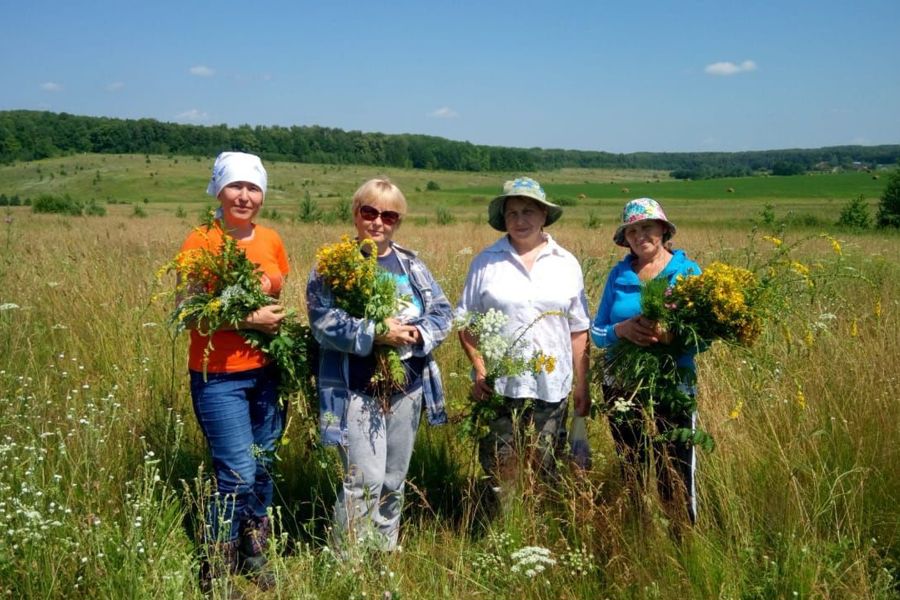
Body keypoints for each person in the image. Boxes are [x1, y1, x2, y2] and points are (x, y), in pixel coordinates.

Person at [306, 177, 453, 552]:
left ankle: (382, 553)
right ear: (356, 214)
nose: (378, 222)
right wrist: (375, 333)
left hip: (408, 387)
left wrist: (416, 335)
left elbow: (442, 311)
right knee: (364, 480)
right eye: (369, 212)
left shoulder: (411, 264)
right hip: (353, 388)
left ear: (397, 222)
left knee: (393, 478)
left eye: (389, 216)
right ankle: (348, 563)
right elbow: (323, 323)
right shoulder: (333, 265)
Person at [179, 151, 288, 591]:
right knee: (237, 472)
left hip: (266, 372)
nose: (244, 196)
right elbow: (187, 313)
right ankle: (216, 565)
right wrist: (246, 320)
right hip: (218, 375)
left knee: (263, 467)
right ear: (219, 190)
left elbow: (278, 297)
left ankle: (253, 551)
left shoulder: (272, 241)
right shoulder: (200, 241)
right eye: (236, 186)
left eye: (253, 187)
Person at [457, 176, 591, 499]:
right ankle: (506, 531)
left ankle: (540, 529)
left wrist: (581, 383)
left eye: (529, 211)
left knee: (546, 466)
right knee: (502, 469)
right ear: (503, 218)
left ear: (544, 215)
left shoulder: (566, 263)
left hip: (552, 386)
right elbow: (465, 322)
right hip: (501, 387)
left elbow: (578, 328)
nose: (520, 220)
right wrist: (478, 366)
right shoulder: (486, 262)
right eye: (512, 213)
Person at [590, 197, 702, 524]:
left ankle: (683, 541)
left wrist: (672, 336)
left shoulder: (687, 272)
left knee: (676, 468)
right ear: (625, 238)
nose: (641, 236)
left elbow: (704, 335)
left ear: (664, 230)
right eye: (633, 230)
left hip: (673, 386)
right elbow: (597, 332)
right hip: (621, 387)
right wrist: (620, 331)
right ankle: (639, 533)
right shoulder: (619, 274)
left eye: (648, 227)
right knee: (633, 466)